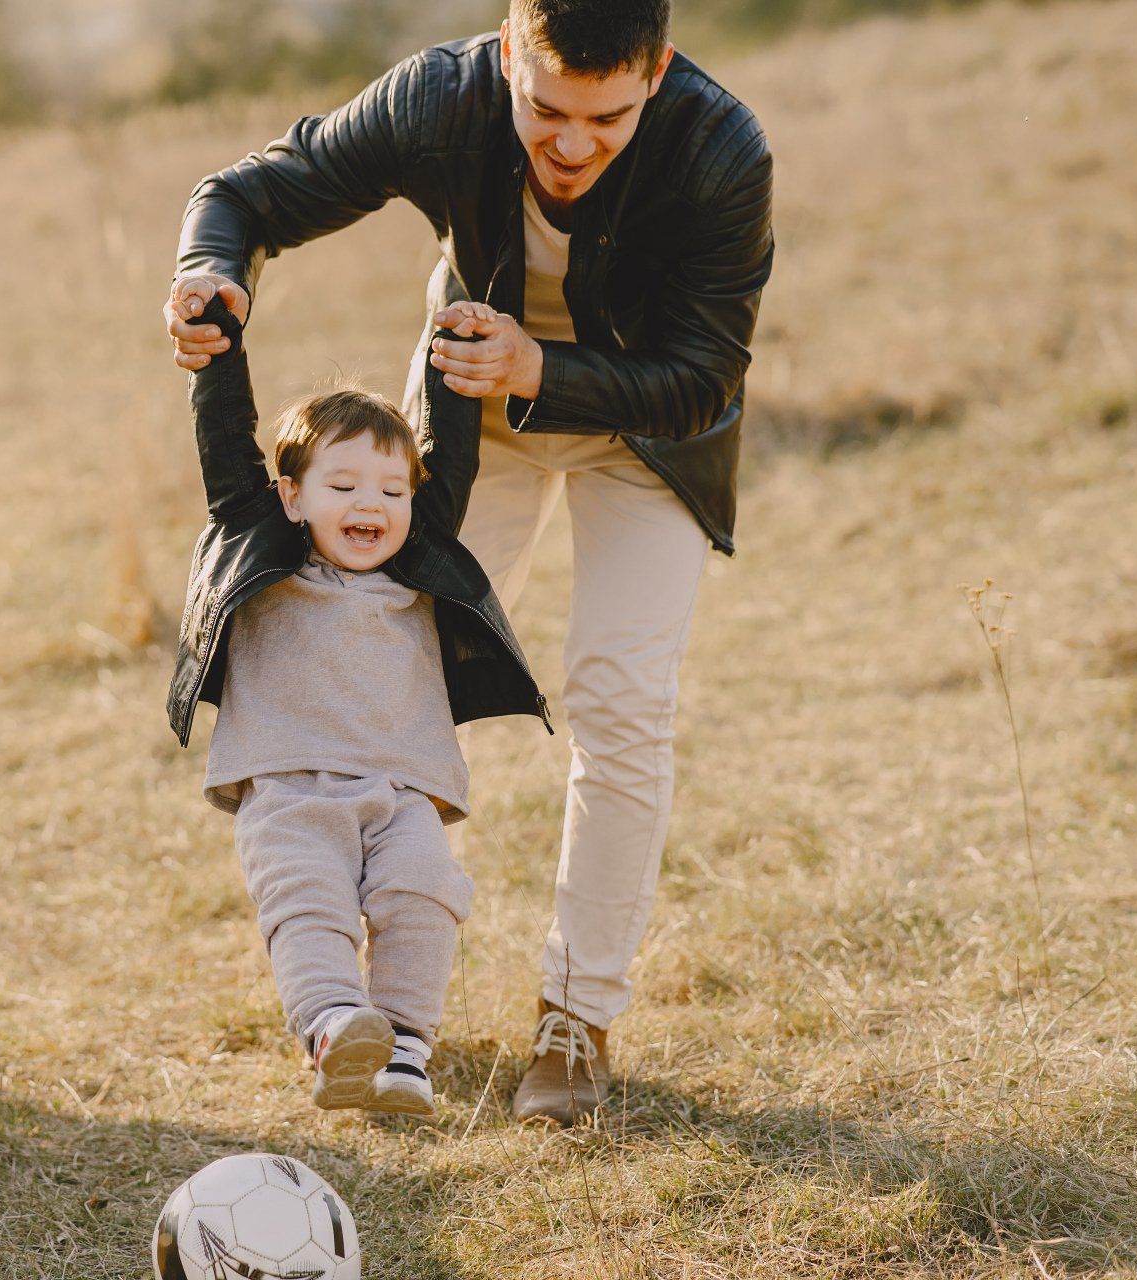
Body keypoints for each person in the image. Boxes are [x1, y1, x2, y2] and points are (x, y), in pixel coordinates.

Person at [163, 0, 773, 1124]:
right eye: (546, 109)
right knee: (392, 668)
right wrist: (213, 274)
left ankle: (576, 1018)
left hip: (648, 434)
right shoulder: (438, 99)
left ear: (660, 73)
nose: (574, 144)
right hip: (464, 426)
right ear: (505, 57)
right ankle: (358, 1000)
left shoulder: (721, 149)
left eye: (609, 116)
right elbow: (245, 193)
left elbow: (703, 374)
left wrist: (543, 363)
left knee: (619, 697)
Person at [169, 289, 547, 1116]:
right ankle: (338, 1029)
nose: (370, 505)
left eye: (391, 490)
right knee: (309, 904)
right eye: (342, 485)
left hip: (403, 787)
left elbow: (453, 454)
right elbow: (225, 445)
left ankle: (406, 1048)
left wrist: (457, 341)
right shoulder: (262, 545)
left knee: (422, 896)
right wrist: (219, 351)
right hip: (288, 785)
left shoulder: (421, 563)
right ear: (292, 496)